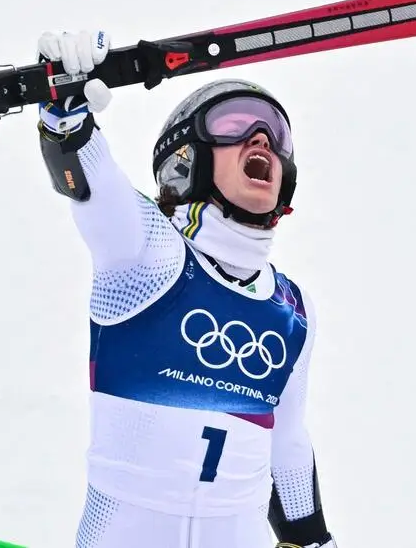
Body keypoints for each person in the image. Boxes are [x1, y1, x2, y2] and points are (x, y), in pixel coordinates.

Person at [34, 29, 337, 548]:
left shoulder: (292, 309)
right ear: (185, 160)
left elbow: (286, 446)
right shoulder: (148, 254)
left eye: (275, 136)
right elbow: (90, 182)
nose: (261, 139)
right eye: (235, 125)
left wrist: (313, 542)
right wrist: (64, 112)